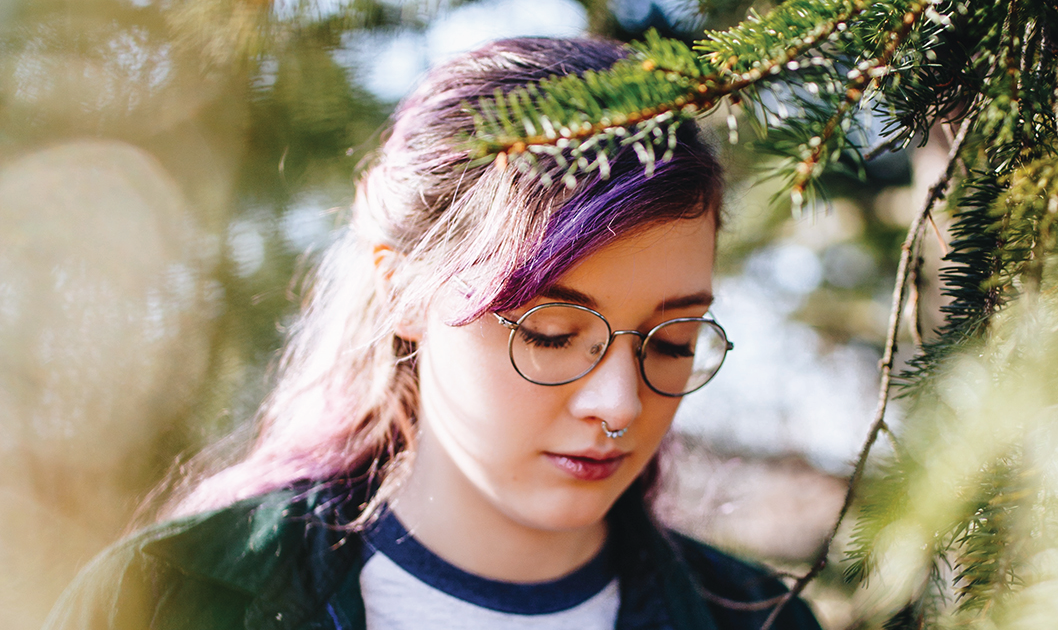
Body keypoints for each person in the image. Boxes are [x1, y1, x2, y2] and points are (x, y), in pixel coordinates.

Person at [43, 37, 823, 630]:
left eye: (672, 342)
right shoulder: (165, 598)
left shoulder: (760, 618)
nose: (619, 404)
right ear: (400, 287)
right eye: (552, 333)